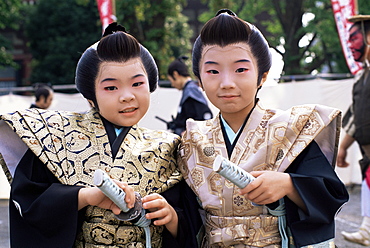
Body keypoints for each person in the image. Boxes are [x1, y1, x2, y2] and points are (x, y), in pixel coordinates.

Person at [0, 23, 192, 248]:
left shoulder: (168, 147)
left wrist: (172, 218)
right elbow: (29, 203)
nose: (127, 96)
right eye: (111, 88)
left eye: (137, 83)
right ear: (90, 96)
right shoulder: (55, 137)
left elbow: (191, 226)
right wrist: (85, 197)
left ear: (150, 86)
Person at [177, 9, 349, 247]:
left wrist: (288, 184)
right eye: (213, 71)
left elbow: (329, 195)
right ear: (199, 80)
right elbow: (185, 215)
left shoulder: (292, 130)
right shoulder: (191, 141)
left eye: (240, 70)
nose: (227, 82)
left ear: (263, 76)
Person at [337, 15, 370, 246]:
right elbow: (354, 117)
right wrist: (342, 148)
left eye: (354, 38)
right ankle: (367, 229)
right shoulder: (362, 78)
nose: (350, 44)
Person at [167, 55, 213, 135]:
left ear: (175, 74)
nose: (172, 85)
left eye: (171, 81)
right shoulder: (189, 89)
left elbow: (204, 117)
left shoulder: (191, 90)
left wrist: (188, 132)